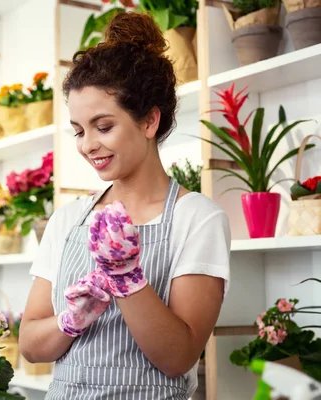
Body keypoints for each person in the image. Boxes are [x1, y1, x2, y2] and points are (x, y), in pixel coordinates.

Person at [18, 11, 231, 399]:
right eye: (79, 131)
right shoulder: (68, 221)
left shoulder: (197, 218)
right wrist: (71, 319)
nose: (87, 145)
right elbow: (30, 346)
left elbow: (179, 356)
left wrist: (127, 279)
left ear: (149, 121)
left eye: (103, 126)